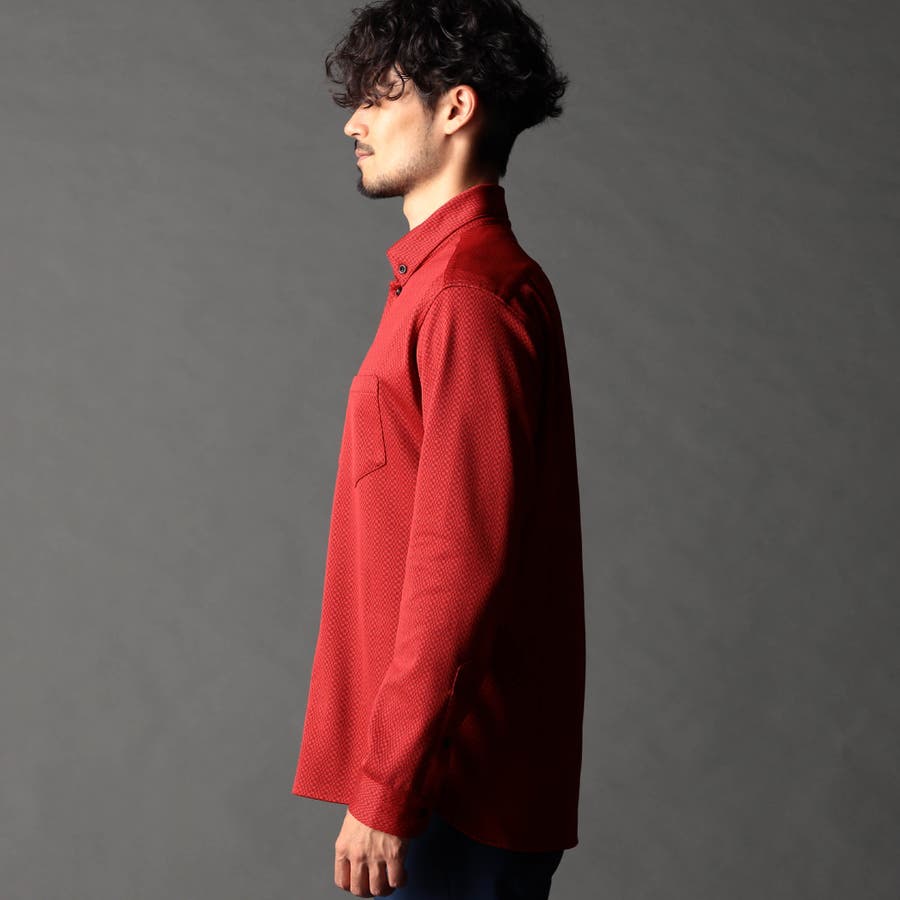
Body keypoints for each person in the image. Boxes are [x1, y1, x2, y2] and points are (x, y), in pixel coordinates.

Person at [290, 1, 585, 896]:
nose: (354, 123)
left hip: (452, 790)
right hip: (441, 777)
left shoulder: (466, 295)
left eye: (378, 98)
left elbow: (461, 561)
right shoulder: (441, 283)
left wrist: (389, 785)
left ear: (455, 107)